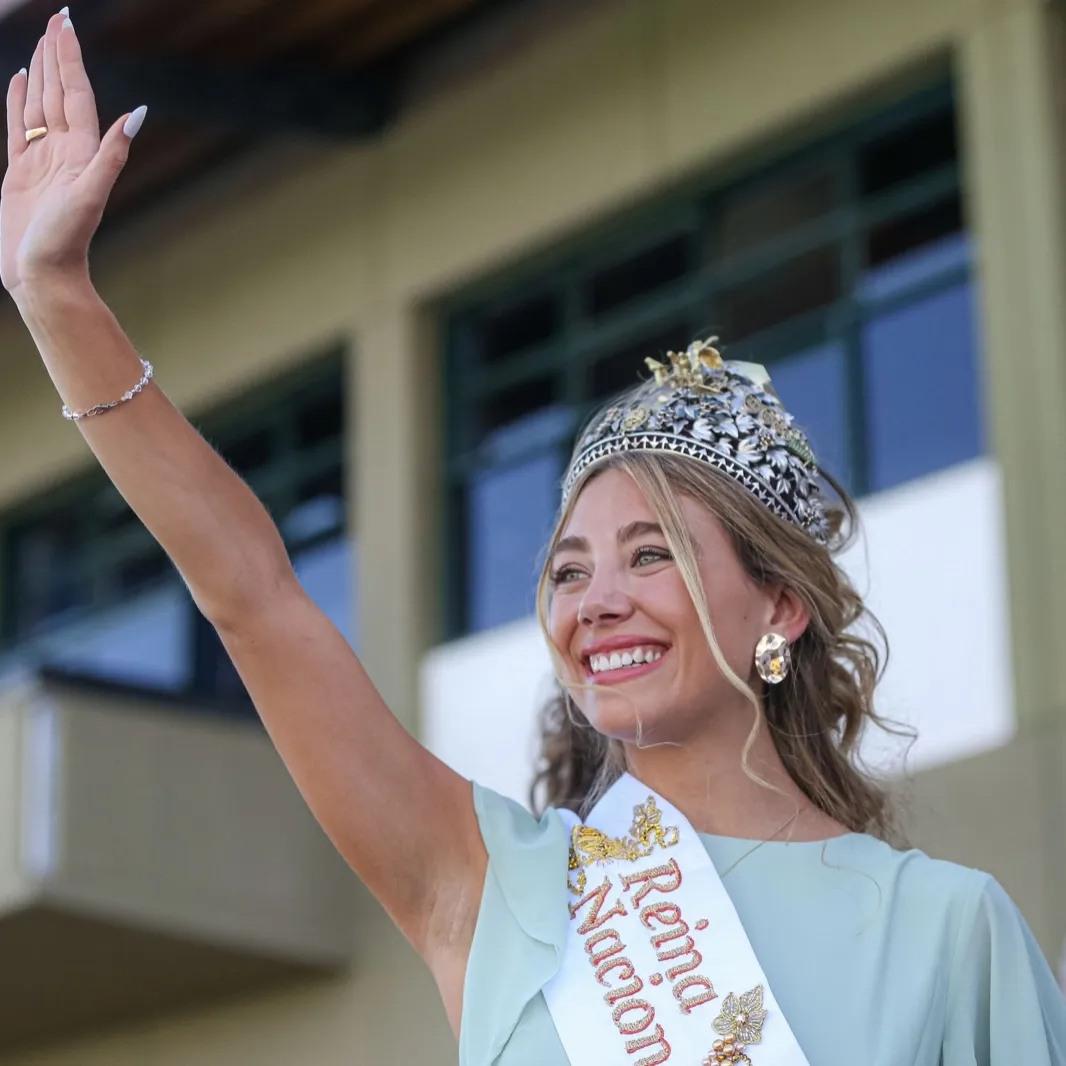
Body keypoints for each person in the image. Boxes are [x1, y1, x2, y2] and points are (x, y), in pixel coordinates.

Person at [2, 12, 1064, 1066]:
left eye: (653, 554)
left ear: (779, 605)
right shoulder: (496, 888)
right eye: (567, 569)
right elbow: (254, 595)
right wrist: (57, 300)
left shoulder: (946, 932)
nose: (594, 600)